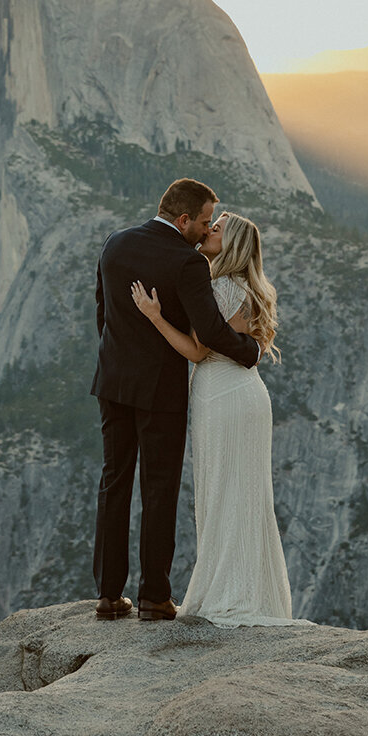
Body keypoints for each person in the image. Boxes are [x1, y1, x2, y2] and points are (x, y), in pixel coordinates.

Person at [132, 211, 314, 627]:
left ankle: (227, 593)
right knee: (246, 496)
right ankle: (246, 590)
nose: (207, 231)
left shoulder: (216, 286)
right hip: (247, 394)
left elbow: (198, 352)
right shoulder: (250, 288)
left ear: (230, 245)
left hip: (222, 394)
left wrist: (155, 316)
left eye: (216, 229)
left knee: (221, 493)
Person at [90, 179, 260, 621]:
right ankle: (153, 597)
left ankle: (109, 596)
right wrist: (253, 351)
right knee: (158, 490)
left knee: (114, 482)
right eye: (204, 223)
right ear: (183, 220)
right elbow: (213, 333)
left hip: (112, 383)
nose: (207, 232)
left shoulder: (115, 243)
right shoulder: (187, 262)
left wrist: (120, 361)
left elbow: (102, 315)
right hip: (160, 391)